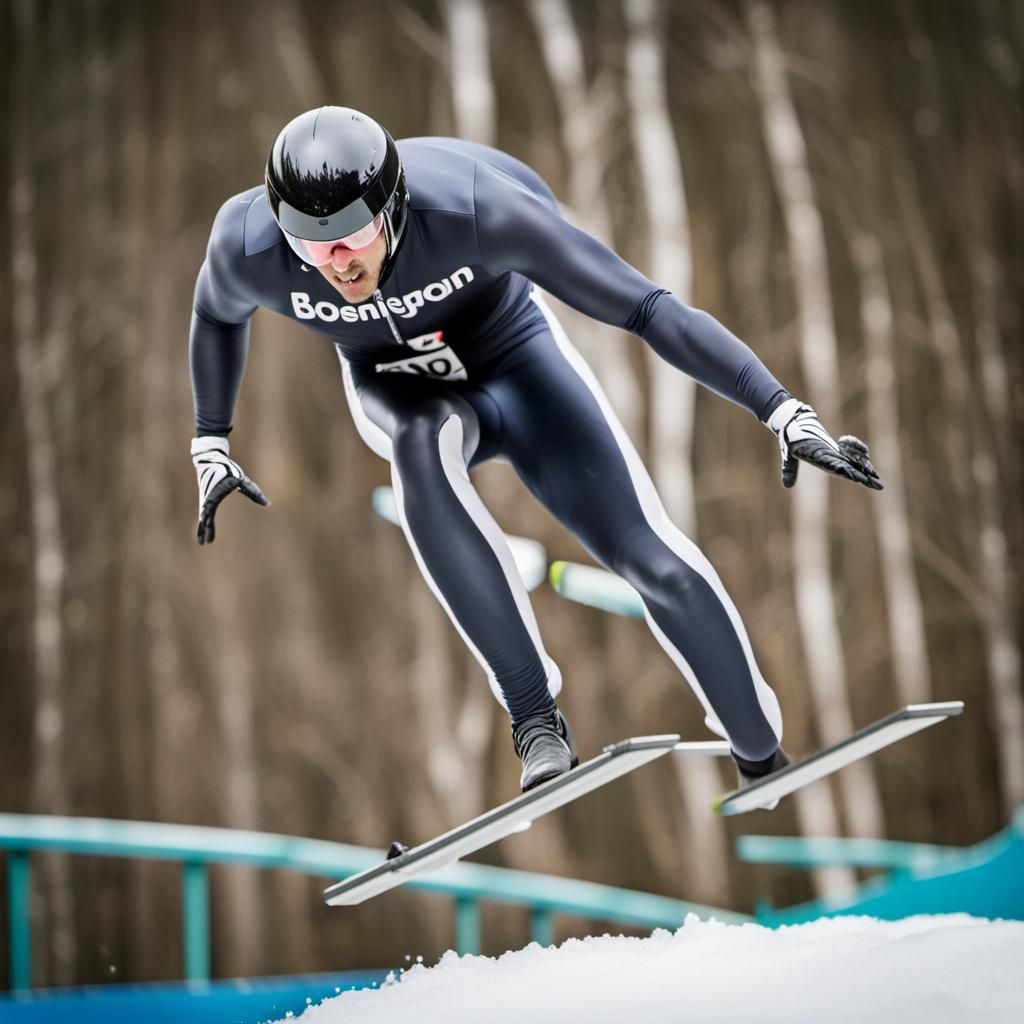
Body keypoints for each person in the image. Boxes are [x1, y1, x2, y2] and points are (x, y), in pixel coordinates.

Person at [189, 106, 881, 798]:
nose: (336, 261)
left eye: (351, 234)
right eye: (311, 243)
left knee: (651, 558)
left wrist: (781, 410)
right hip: (396, 389)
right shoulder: (247, 246)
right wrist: (210, 442)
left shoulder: (478, 210)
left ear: (393, 207)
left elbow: (646, 308)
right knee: (419, 447)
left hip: (514, 356)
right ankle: (535, 723)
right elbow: (214, 315)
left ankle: (759, 748)